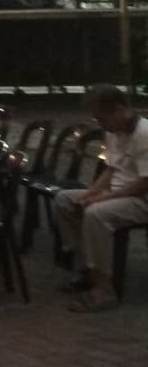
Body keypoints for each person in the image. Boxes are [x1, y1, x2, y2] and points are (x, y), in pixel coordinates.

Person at [55, 85, 148, 312]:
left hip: (142, 198)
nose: (101, 124)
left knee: (96, 214)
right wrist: (91, 193)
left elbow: (144, 182)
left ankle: (105, 289)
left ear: (118, 110)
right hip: (118, 193)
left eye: (102, 118)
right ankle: (90, 268)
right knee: (64, 200)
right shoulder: (113, 131)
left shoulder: (144, 134)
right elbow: (110, 168)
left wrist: (103, 199)